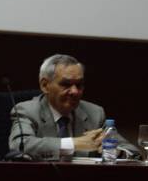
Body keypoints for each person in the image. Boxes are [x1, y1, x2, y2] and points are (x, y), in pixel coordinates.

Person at [8, 54, 140, 161]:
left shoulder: (95, 113)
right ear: (45, 85)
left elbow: (133, 152)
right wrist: (74, 143)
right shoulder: (26, 110)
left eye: (79, 85)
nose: (75, 92)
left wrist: (116, 152)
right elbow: (20, 145)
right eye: (66, 84)